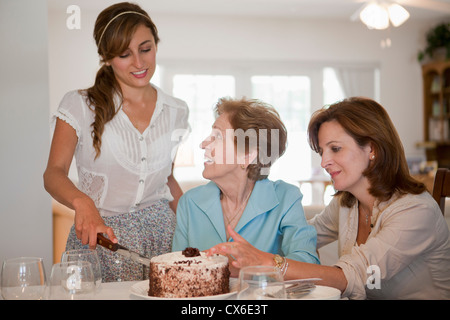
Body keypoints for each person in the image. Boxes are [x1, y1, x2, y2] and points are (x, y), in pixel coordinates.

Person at [207, 97, 450, 299]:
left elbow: (350, 276)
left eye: (335, 149)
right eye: (322, 151)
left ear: (372, 149)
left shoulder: (415, 212)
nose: (324, 162)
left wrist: (270, 262)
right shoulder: (347, 203)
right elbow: (302, 235)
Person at [43, 2, 189, 282]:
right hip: (100, 239)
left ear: (156, 45)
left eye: (146, 49)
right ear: (106, 58)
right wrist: (82, 202)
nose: (139, 62)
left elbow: (167, 178)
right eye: (124, 54)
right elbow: (53, 173)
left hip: (162, 239)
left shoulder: (176, 110)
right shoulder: (79, 105)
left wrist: (197, 223)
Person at [172, 97, 320, 276]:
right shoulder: (190, 202)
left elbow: (307, 263)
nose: (203, 144)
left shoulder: (286, 198)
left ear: (247, 156)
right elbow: (176, 268)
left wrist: (259, 262)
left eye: (217, 136)